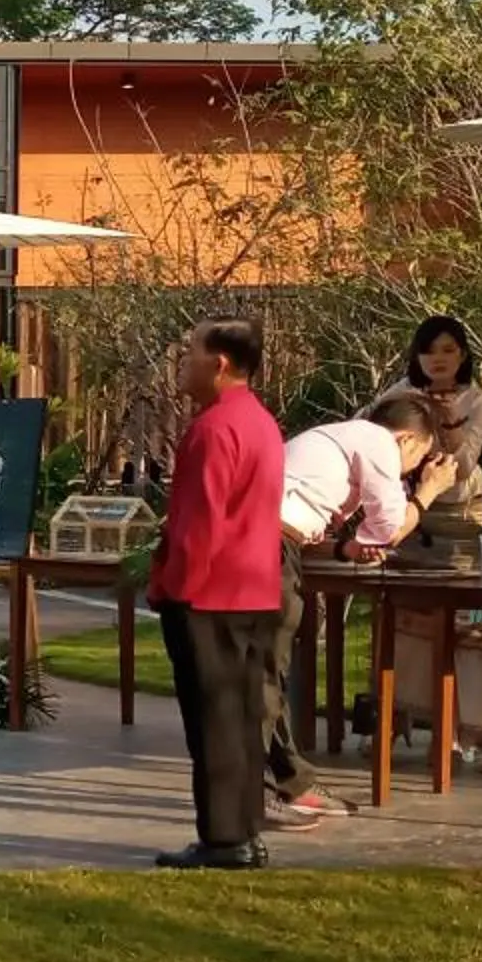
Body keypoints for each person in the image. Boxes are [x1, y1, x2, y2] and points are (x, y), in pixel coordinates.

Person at [270, 394, 453, 828]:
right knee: (264, 674)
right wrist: (428, 492)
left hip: (273, 541)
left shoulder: (336, 441)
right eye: (416, 460)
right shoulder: (377, 441)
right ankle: (280, 789)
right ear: (407, 440)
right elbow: (389, 529)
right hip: (269, 548)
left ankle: (285, 783)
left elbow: (304, 531)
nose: (407, 472)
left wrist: (347, 548)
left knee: (261, 674)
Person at [149, 318, 286, 871]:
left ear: (219, 363)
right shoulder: (261, 422)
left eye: (191, 353)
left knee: (212, 721)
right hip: (254, 589)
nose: (183, 364)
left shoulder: (212, 429)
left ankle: (225, 838)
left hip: (209, 594)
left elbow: (198, 524)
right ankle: (245, 830)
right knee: (243, 718)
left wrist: (171, 587)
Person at [371, 314, 482, 537]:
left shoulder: (477, 401)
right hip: (409, 504)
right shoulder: (404, 391)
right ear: (417, 357)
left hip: (461, 509)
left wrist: (451, 422)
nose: (438, 359)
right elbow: (364, 423)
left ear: (462, 355)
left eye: (448, 350)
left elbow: (463, 468)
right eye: (428, 351)